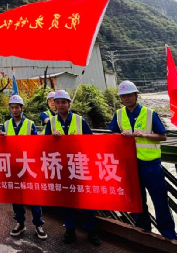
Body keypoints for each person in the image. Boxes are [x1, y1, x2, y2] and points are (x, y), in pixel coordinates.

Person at [110, 81, 177, 240]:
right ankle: (143, 233)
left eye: (129, 95)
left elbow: (163, 136)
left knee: (160, 202)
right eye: (123, 96)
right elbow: (112, 133)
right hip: (131, 165)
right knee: (137, 201)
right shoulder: (118, 115)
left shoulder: (149, 113)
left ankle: (169, 237)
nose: (126, 98)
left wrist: (144, 135)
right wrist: (121, 135)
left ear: (136, 95)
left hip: (151, 165)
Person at [44, 90, 101, 247]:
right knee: (66, 200)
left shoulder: (79, 120)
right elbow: (44, 145)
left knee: (86, 200)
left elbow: (91, 142)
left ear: (68, 103)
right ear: (54, 105)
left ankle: (91, 230)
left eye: (63, 102)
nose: (61, 105)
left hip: (80, 166)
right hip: (62, 167)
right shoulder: (51, 123)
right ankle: (69, 230)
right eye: (58, 102)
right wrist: (52, 139)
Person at [1, 95, 48, 241]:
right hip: (13, 167)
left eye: (17, 107)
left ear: (21, 108)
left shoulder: (30, 124)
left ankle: (38, 224)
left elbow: (35, 145)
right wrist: (2, 140)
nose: (14, 110)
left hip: (28, 167)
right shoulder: (6, 125)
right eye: (12, 107)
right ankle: (20, 223)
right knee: (17, 197)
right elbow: (2, 148)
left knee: (33, 197)